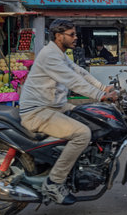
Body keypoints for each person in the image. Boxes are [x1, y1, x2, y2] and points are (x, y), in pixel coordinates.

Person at [19, 19, 117, 205]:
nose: (76, 37)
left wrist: (103, 88)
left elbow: (79, 72)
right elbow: (72, 80)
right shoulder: (49, 55)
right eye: (71, 34)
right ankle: (54, 183)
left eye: (75, 34)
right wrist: (100, 95)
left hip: (54, 106)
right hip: (38, 111)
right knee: (82, 133)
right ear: (58, 36)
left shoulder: (60, 54)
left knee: (90, 115)